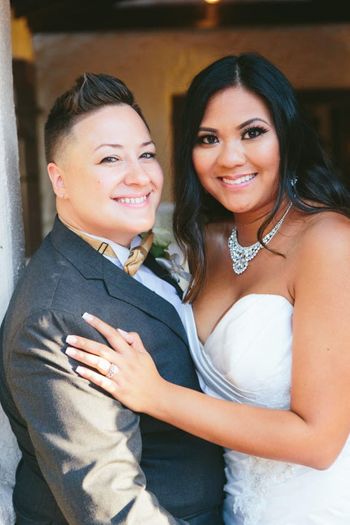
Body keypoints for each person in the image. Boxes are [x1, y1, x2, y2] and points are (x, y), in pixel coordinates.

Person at [65, 54, 350, 525]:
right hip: (231, 508)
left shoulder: (328, 241)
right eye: (208, 139)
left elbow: (318, 442)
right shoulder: (202, 245)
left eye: (252, 132)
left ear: (287, 136)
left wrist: (156, 395)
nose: (230, 157)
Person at [0, 73, 226, 524]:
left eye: (147, 154)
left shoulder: (138, 256)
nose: (139, 176)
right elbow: (112, 506)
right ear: (59, 180)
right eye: (110, 159)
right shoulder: (56, 314)